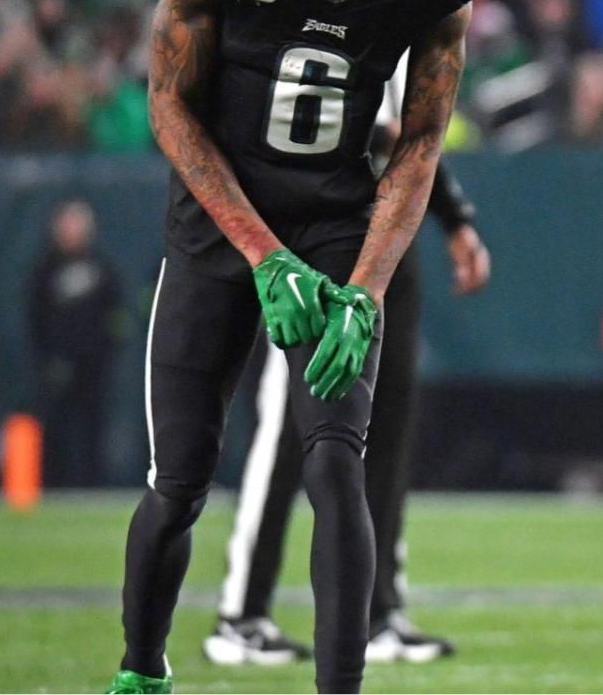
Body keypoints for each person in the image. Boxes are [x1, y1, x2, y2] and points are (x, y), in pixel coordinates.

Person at [109, 0, 487, 695]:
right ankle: (142, 671)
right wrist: (257, 254)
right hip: (216, 225)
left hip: (332, 222)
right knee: (181, 480)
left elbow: (419, 141)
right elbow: (169, 105)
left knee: (335, 467)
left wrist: (362, 288)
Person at [206, 156, 489, 667]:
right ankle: (241, 614)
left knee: (387, 423)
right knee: (288, 428)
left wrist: (453, 217)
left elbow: (416, 134)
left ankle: (379, 612)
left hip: (392, 235)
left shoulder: (411, 77)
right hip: (319, 226)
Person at [26, 199, 123, 488]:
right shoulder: (44, 270)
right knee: (56, 428)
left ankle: (91, 485)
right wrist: (48, 357)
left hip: (92, 364)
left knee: (92, 428)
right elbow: (34, 318)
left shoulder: (102, 267)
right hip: (57, 364)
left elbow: (115, 316)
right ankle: (54, 486)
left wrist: (106, 350)